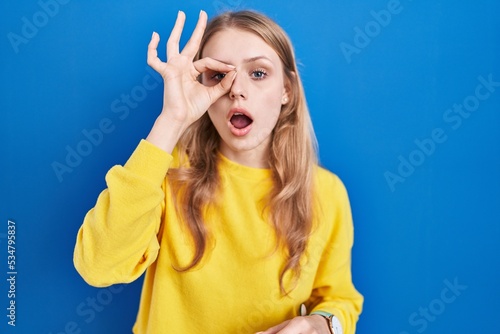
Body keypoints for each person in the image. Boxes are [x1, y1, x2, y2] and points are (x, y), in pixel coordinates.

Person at [73, 9, 363, 334]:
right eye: (218, 76)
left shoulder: (326, 192)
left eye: (258, 73)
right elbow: (98, 265)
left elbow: (340, 299)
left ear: (288, 90)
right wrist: (172, 120)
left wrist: (320, 325)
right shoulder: (165, 175)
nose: (237, 89)